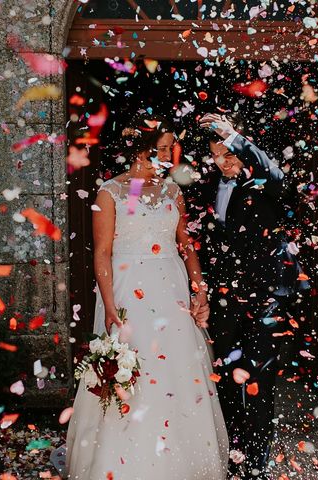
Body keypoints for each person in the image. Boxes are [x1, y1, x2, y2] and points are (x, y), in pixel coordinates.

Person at [65, 113, 229, 479]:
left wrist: (199, 291)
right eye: (163, 149)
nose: (171, 156)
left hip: (171, 290)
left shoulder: (173, 191)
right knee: (133, 371)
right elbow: (102, 253)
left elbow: (186, 245)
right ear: (140, 150)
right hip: (128, 291)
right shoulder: (111, 192)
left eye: (171, 149)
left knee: (177, 371)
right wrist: (108, 307)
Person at [196, 112, 309, 478]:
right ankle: (232, 456)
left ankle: (257, 466)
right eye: (217, 154)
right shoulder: (207, 187)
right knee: (227, 380)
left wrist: (235, 138)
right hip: (226, 300)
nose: (224, 161)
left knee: (259, 382)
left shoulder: (266, 181)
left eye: (230, 153)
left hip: (267, 299)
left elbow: (279, 178)